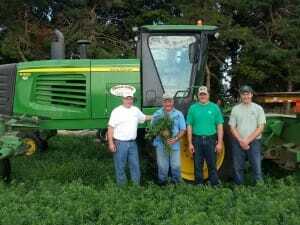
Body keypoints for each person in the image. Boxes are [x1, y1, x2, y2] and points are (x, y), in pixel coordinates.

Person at [107, 91, 152, 185]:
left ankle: (136, 188)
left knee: (135, 165)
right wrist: (111, 143)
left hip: (132, 144)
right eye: (127, 98)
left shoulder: (135, 110)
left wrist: (156, 116)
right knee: (120, 166)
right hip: (120, 144)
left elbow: (144, 118)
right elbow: (110, 128)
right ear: (122, 100)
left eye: (130, 98)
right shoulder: (116, 111)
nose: (129, 100)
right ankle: (122, 189)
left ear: (132, 99)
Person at [187, 86, 224, 186]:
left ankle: (214, 183)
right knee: (197, 165)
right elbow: (189, 126)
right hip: (197, 140)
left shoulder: (214, 107)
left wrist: (220, 143)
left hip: (211, 140)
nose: (202, 96)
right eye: (201, 94)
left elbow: (220, 126)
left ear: (208, 95)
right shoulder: (193, 108)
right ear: (198, 96)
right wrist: (190, 143)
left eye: (204, 94)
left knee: (212, 164)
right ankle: (199, 185)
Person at [229, 85, 266, 185]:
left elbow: (261, 127)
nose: (246, 96)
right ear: (240, 96)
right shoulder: (235, 109)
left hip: (254, 142)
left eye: (248, 94)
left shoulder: (258, 109)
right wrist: (241, 140)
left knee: (256, 166)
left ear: (251, 95)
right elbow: (232, 127)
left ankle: (259, 188)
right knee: (237, 167)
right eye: (243, 94)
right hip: (238, 142)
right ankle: (239, 188)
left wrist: (247, 140)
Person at [152, 93, 186, 185]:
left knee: (176, 166)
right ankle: (162, 184)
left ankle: (177, 184)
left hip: (174, 145)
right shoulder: (157, 114)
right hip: (160, 144)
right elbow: (152, 129)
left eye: (169, 101)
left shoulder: (179, 114)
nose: (168, 104)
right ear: (162, 102)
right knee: (162, 167)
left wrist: (175, 138)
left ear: (173, 102)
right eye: (165, 101)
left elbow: (183, 130)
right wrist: (161, 132)